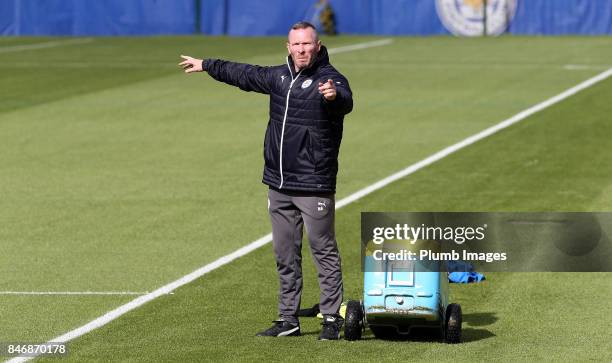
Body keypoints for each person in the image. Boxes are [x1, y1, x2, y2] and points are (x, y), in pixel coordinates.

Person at [179, 21, 353, 340]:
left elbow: (345, 100)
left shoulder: (330, 79)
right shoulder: (278, 78)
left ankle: (331, 318)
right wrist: (207, 65)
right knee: (284, 254)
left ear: (318, 45)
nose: (302, 49)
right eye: (296, 44)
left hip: (314, 183)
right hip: (278, 182)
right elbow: (243, 74)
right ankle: (288, 319)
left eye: (307, 44)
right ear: (288, 47)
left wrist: (333, 97)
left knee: (323, 250)